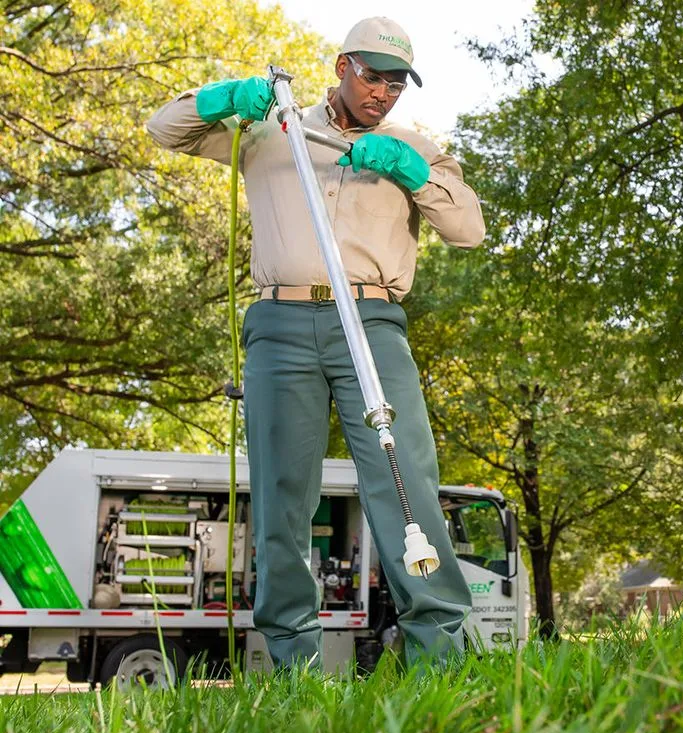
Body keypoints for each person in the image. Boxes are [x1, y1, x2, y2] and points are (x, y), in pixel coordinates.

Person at [146, 16, 484, 670]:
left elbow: (468, 227)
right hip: (281, 326)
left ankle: (438, 661)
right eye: (371, 76)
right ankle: (290, 668)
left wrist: (412, 172)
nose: (383, 92)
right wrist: (223, 99)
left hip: (375, 325)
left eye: (395, 84)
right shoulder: (273, 131)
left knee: (406, 483)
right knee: (281, 497)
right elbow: (164, 129)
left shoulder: (412, 143)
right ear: (340, 66)